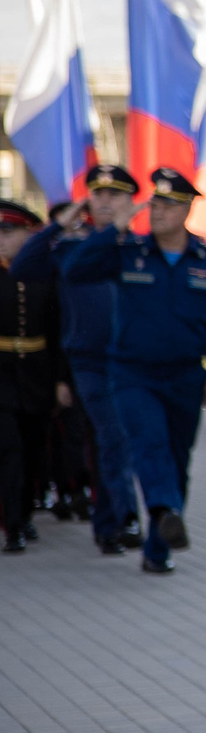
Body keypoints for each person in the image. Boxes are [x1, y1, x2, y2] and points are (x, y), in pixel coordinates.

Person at [58, 167, 206, 574]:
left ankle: (159, 547)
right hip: (132, 374)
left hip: (186, 376)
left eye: (169, 204)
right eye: (155, 202)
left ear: (188, 208)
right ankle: (165, 508)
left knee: (176, 457)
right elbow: (73, 270)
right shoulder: (128, 250)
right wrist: (110, 230)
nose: (157, 210)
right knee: (150, 445)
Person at [21, 166, 140, 552]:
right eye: (97, 194)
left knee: (111, 443)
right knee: (112, 437)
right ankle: (124, 517)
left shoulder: (138, 245)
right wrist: (58, 225)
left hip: (132, 360)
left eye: (115, 195)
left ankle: (110, 523)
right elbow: (24, 268)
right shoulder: (74, 245)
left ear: (130, 202)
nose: (105, 202)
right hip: (88, 360)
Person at [0, 202, 55, 553]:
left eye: (9, 233)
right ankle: (13, 524)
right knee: (10, 449)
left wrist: (62, 380)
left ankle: (24, 512)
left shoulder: (43, 272)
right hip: (0, 373)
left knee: (33, 448)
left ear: (27, 234)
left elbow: (59, 327)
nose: (2, 241)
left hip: (36, 372)